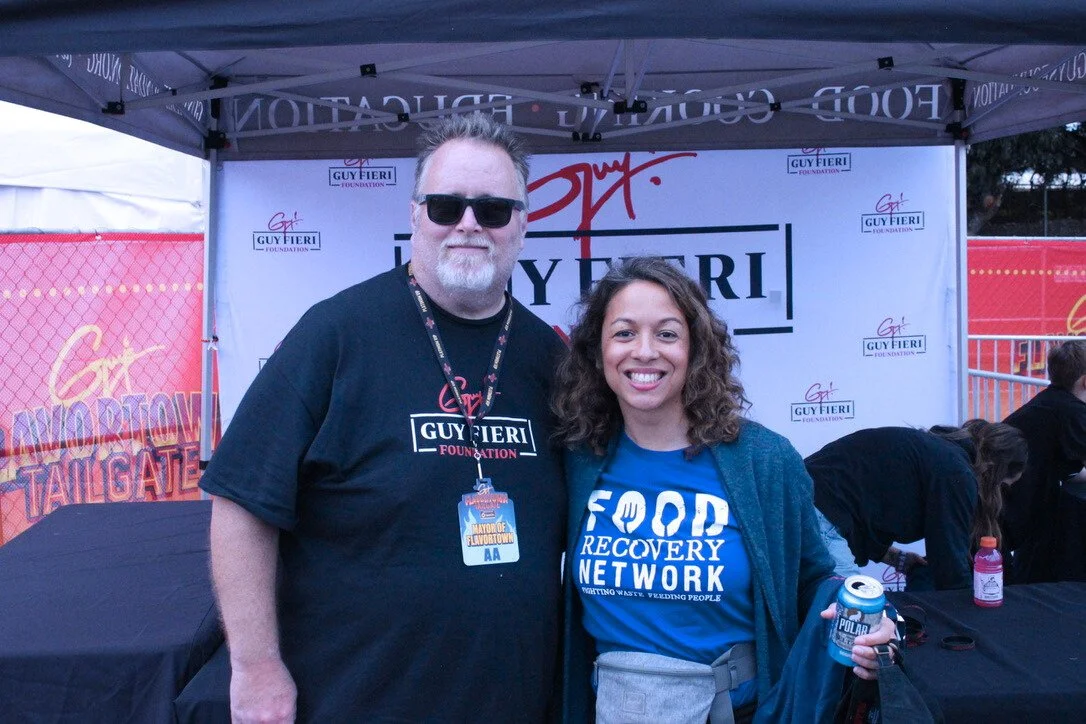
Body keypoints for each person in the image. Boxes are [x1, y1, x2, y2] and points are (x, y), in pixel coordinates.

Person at [200, 115, 567, 722]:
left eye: (494, 210)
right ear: (415, 213)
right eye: (447, 206)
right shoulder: (336, 335)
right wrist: (256, 665)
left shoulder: (549, 359)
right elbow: (240, 502)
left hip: (518, 700)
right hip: (358, 697)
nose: (469, 224)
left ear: (522, 224)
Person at [553, 257, 897, 723]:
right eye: (625, 333)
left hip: (738, 711)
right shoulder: (577, 459)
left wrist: (870, 628)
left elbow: (816, 576)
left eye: (668, 333)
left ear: (696, 349)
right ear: (598, 351)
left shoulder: (763, 460)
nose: (645, 351)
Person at [805, 421, 1027, 591]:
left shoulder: (938, 453)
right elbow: (948, 563)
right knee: (849, 615)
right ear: (996, 471)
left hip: (802, 501)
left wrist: (897, 558)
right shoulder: (955, 472)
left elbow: (869, 506)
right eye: (1002, 485)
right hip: (816, 511)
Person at [1002, 340, 1086, 583]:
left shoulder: (1050, 402)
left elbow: (1069, 468)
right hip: (1016, 509)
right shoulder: (1072, 411)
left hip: (1015, 504)